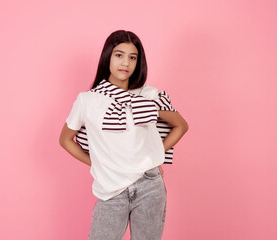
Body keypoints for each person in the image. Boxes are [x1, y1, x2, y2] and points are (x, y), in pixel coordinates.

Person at [59, 30, 188, 240]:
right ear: (107, 57)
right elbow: (65, 140)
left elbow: (181, 125)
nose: (125, 62)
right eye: (119, 55)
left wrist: (151, 156)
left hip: (149, 185)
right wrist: (97, 162)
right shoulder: (88, 100)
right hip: (111, 189)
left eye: (132, 57)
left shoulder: (148, 95)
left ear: (138, 62)